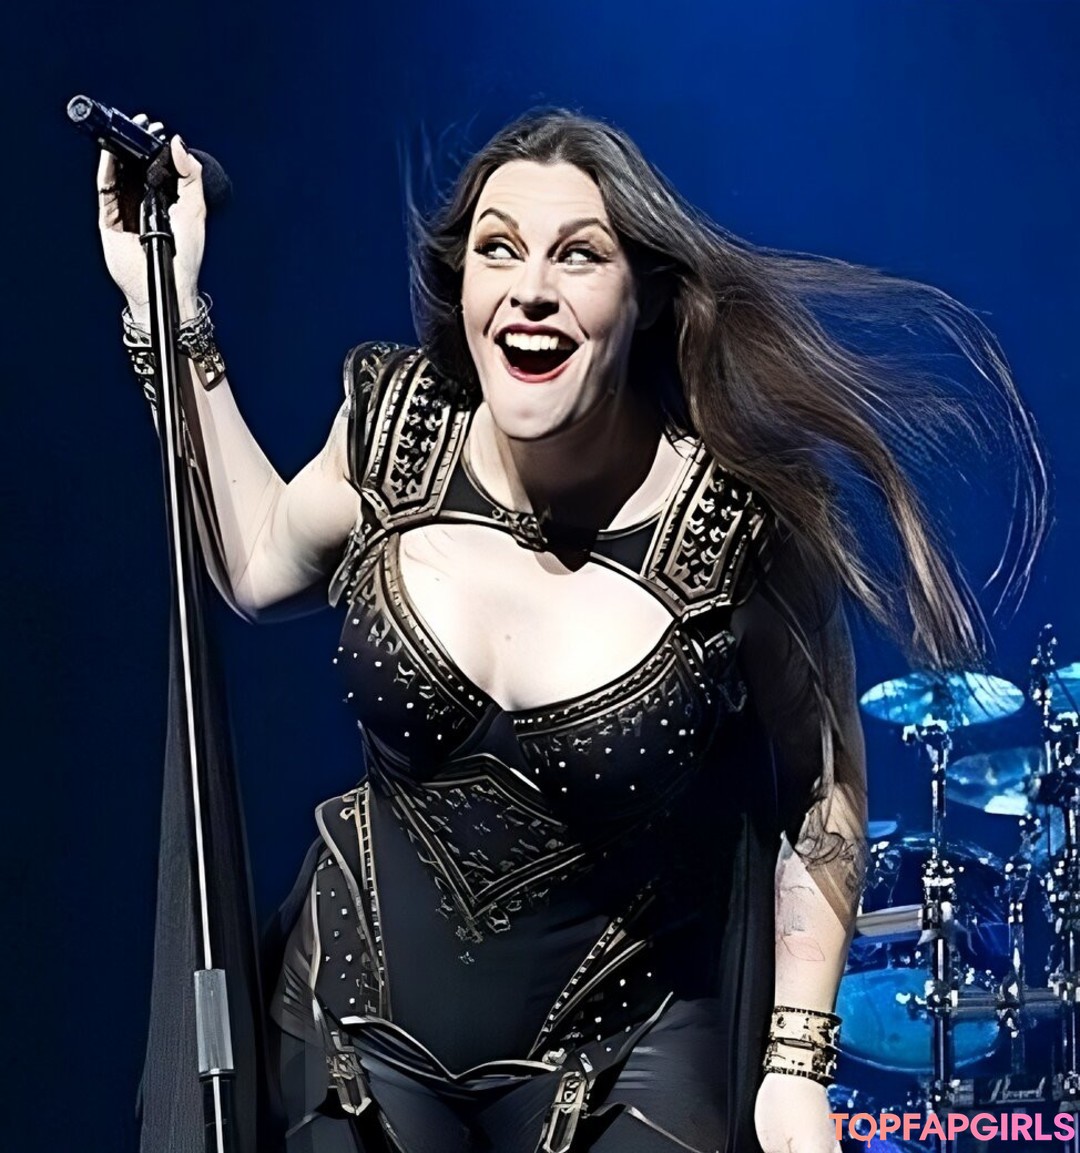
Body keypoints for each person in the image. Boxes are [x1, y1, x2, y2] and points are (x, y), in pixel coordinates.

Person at [97, 109, 1046, 1153]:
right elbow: (251, 563)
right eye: (498, 249)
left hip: (625, 1061)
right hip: (352, 1036)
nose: (531, 289)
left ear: (644, 298)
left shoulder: (736, 524)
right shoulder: (393, 433)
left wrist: (795, 1065)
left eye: (578, 255)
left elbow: (822, 790)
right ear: (463, 286)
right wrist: (165, 304)